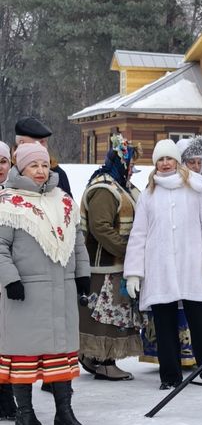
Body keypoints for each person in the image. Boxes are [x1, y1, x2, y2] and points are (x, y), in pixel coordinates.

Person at [0, 142, 90, 425]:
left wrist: (82, 276)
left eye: (43, 165)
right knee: (24, 354)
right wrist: (10, 279)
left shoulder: (62, 200)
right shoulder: (8, 202)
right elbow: (0, 247)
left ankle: (64, 412)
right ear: (21, 168)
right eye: (33, 165)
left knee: (60, 352)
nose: (40, 171)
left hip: (60, 291)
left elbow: (77, 242)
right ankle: (25, 414)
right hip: (25, 292)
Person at [123, 139, 202, 390]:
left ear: (176, 161)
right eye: (161, 159)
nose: (165, 163)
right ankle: (170, 376)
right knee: (164, 323)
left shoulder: (197, 188)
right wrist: (134, 273)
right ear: (155, 163)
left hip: (193, 266)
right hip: (160, 268)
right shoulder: (148, 194)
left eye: (169, 158)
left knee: (201, 321)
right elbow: (139, 235)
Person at [78, 134, 142, 381]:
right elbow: (100, 227)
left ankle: (98, 357)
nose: (132, 170)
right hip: (104, 265)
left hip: (116, 265)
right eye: (130, 164)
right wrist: (128, 249)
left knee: (112, 314)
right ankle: (101, 360)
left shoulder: (121, 185)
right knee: (103, 316)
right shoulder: (104, 189)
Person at [14, 116, 72, 197]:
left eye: (46, 142)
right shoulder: (5, 170)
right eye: (41, 142)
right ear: (21, 143)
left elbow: (68, 206)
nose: (45, 147)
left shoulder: (56, 173)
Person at [0, 141, 14, 420]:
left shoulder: (17, 195)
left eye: (2, 161)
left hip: (11, 276)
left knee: (9, 342)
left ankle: (6, 397)